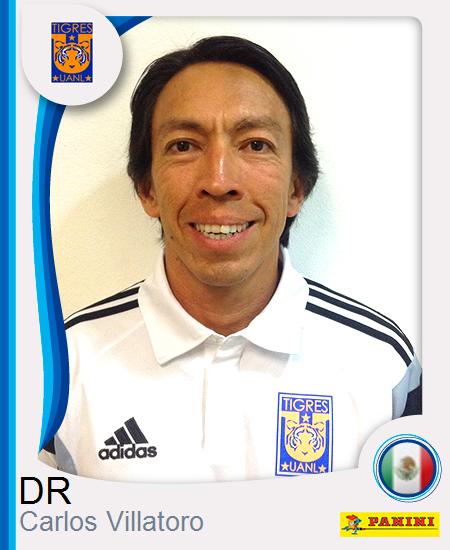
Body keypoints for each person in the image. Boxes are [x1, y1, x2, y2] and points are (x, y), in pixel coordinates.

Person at [40, 36, 421, 481]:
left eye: (255, 144)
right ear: (147, 189)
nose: (219, 182)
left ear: (296, 188)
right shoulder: (59, 366)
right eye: (184, 145)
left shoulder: (383, 363)